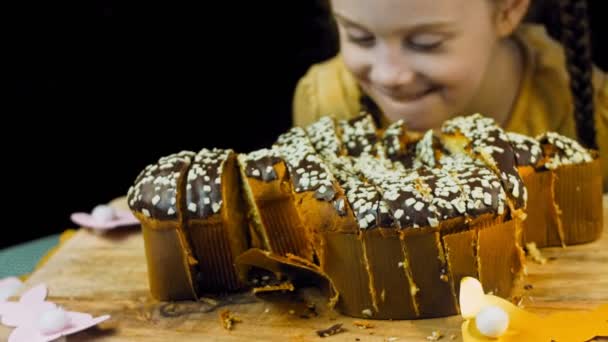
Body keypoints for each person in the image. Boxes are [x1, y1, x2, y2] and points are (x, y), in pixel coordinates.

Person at [293, 0, 608, 190]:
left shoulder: (588, 115)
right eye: (360, 38)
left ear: (508, 9)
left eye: (425, 43)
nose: (389, 75)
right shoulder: (327, 104)